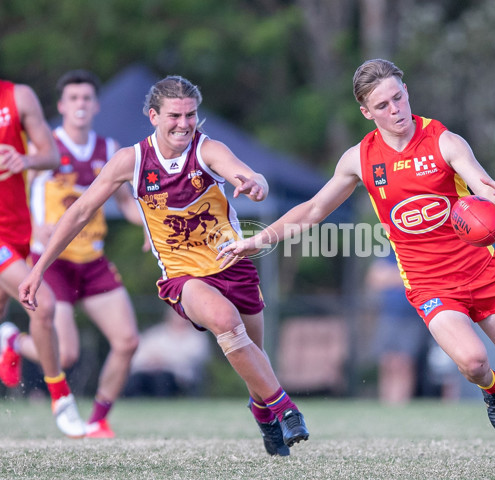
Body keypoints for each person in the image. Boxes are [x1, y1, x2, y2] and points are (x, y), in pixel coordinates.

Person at [217, 59, 495, 470]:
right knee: (474, 363)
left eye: (398, 98)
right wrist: (257, 240)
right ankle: (492, 391)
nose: (395, 110)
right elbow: (313, 209)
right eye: (382, 105)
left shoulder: (444, 140)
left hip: (482, 271)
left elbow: (482, 187)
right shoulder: (360, 158)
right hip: (429, 283)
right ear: (366, 112)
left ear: (406, 92)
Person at [18, 75, 309, 456]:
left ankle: (262, 410)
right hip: (183, 276)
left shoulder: (207, 150)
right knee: (224, 321)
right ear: (153, 116)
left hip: (233, 265)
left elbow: (247, 174)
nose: (184, 124)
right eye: (175, 115)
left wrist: (254, 183)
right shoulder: (131, 160)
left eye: (190, 115)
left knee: (254, 354)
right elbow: (80, 212)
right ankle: (286, 409)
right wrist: (38, 269)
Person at [7, 70, 143, 438]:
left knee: (128, 341)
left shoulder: (109, 149)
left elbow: (125, 203)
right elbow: (20, 189)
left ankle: (98, 419)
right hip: (51, 262)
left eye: (87, 98)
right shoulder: (46, 146)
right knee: (65, 354)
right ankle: (11, 341)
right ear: (61, 105)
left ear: (96, 105)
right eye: (74, 98)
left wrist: (148, 226)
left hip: (92, 259)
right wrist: (34, 227)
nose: (81, 104)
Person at [0, 79, 86, 438]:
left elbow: (51, 154)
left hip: (20, 230)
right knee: (43, 304)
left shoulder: (17, 96)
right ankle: (61, 398)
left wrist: (24, 158)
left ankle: (7, 340)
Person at [365, 253, 459, 404]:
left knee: (404, 362)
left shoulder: (417, 250)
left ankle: (401, 404)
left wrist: (391, 276)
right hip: (389, 315)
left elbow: (423, 278)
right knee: (387, 362)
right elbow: (374, 279)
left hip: (412, 315)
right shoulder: (390, 251)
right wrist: (403, 276)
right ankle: (386, 404)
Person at [123, 307, 211, 397]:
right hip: (149, 372)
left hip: (178, 377)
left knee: (162, 380)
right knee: (135, 380)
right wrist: (150, 362)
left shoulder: (196, 337)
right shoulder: (156, 333)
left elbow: (194, 357)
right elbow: (139, 353)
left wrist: (164, 361)